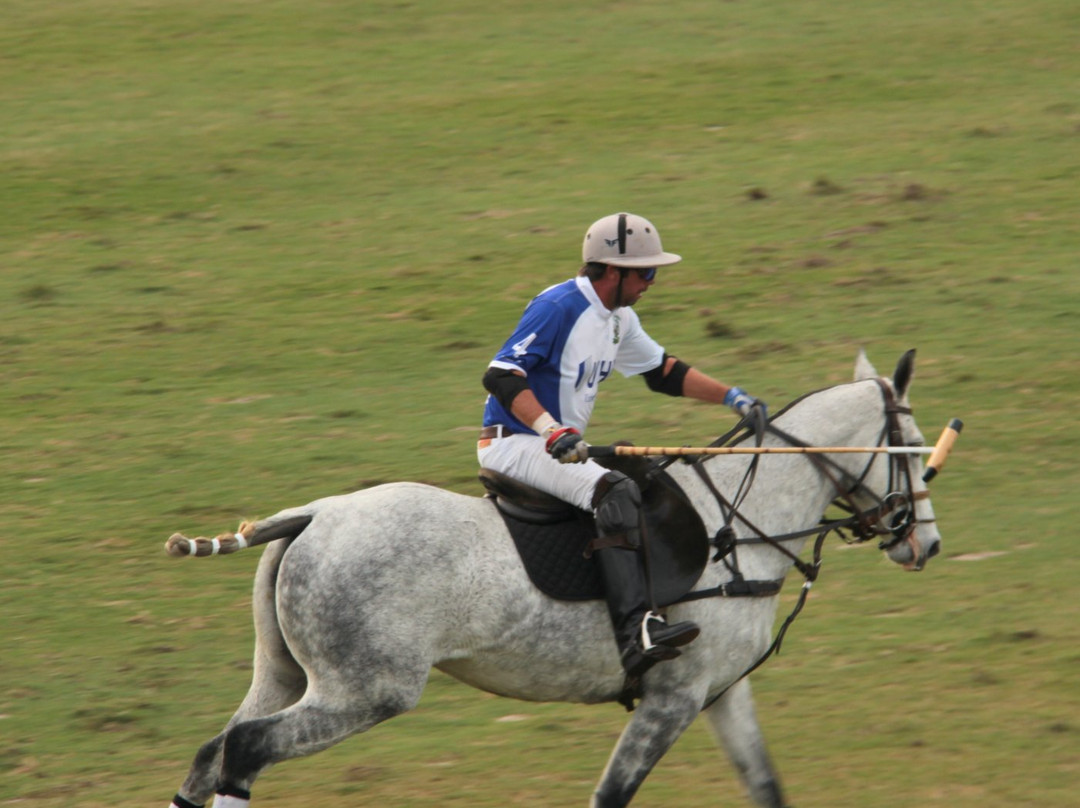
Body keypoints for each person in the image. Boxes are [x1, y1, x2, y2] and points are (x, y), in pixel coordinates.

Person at [478, 212, 766, 678]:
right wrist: (553, 430)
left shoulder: (618, 318)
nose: (652, 282)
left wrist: (733, 398)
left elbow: (662, 372)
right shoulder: (558, 307)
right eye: (646, 272)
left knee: (646, 475)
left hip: (557, 444)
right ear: (613, 271)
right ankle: (636, 633)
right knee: (615, 490)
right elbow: (500, 375)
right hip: (516, 443)